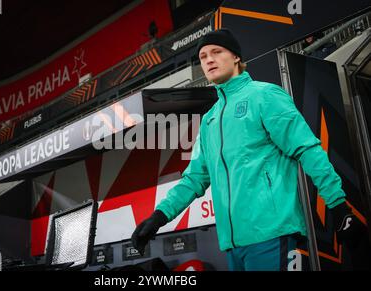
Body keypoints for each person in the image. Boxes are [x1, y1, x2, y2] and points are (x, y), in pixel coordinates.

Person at [131, 28, 360, 271]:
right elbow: (194, 179)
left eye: (216, 52)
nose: (208, 60)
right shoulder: (209, 121)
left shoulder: (264, 95)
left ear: (236, 57)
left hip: (273, 234)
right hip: (233, 246)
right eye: (202, 57)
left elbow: (308, 148)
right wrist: (159, 217)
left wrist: (338, 206)